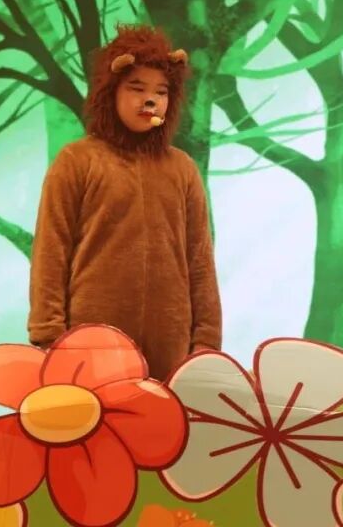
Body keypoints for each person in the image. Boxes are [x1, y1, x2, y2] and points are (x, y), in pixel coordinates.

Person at [27, 24, 222, 380]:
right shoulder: (77, 161)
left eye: (161, 92)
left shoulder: (182, 169)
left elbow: (200, 259)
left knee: (166, 419)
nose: (150, 100)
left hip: (171, 351)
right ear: (111, 91)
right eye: (137, 88)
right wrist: (49, 335)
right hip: (89, 347)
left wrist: (206, 340)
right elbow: (51, 251)